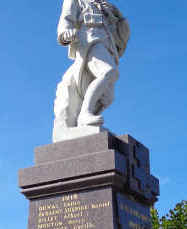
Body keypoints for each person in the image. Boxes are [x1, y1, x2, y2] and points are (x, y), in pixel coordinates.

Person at [53, 0, 130, 137]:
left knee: (106, 98)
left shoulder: (108, 7)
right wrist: (65, 33)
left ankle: (86, 120)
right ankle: (84, 114)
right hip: (89, 39)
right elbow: (66, 18)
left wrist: (119, 19)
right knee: (108, 72)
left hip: (107, 44)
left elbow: (121, 32)